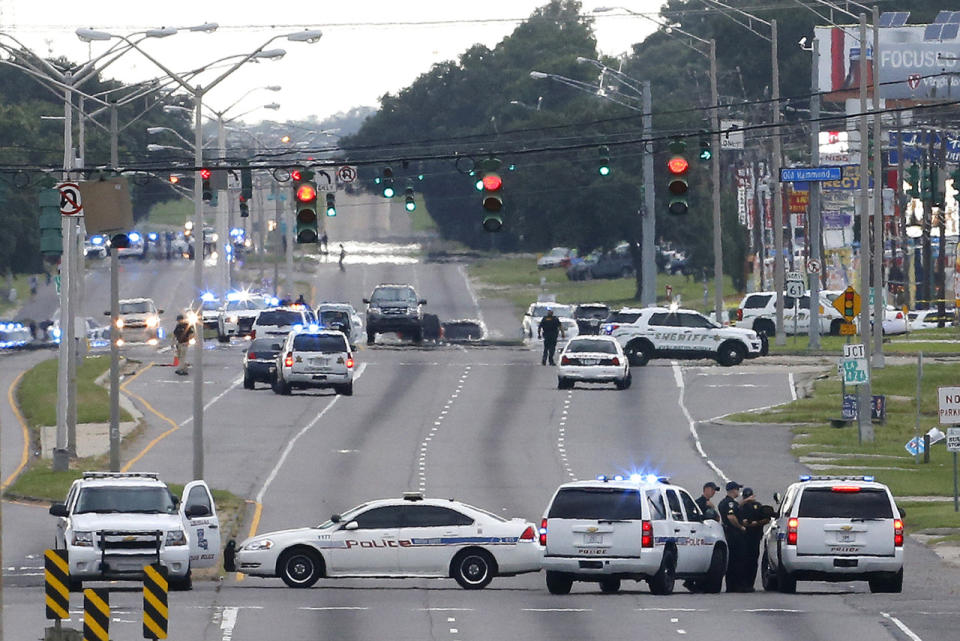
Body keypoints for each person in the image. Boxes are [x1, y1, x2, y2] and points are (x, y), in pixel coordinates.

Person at [717, 481, 748, 592]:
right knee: (737, 560)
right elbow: (731, 517)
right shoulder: (730, 504)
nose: (738, 492)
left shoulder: (723, 502)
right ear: (733, 490)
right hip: (734, 535)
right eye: (737, 489)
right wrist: (740, 527)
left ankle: (732, 585)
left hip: (728, 534)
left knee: (731, 561)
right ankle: (736, 585)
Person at [739, 487, 770, 592]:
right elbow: (737, 515)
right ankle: (743, 584)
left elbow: (767, 518)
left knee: (752, 561)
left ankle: (749, 584)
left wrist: (757, 523)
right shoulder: (742, 506)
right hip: (744, 537)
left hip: (754, 537)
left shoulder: (758, 506)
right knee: (744, 561)